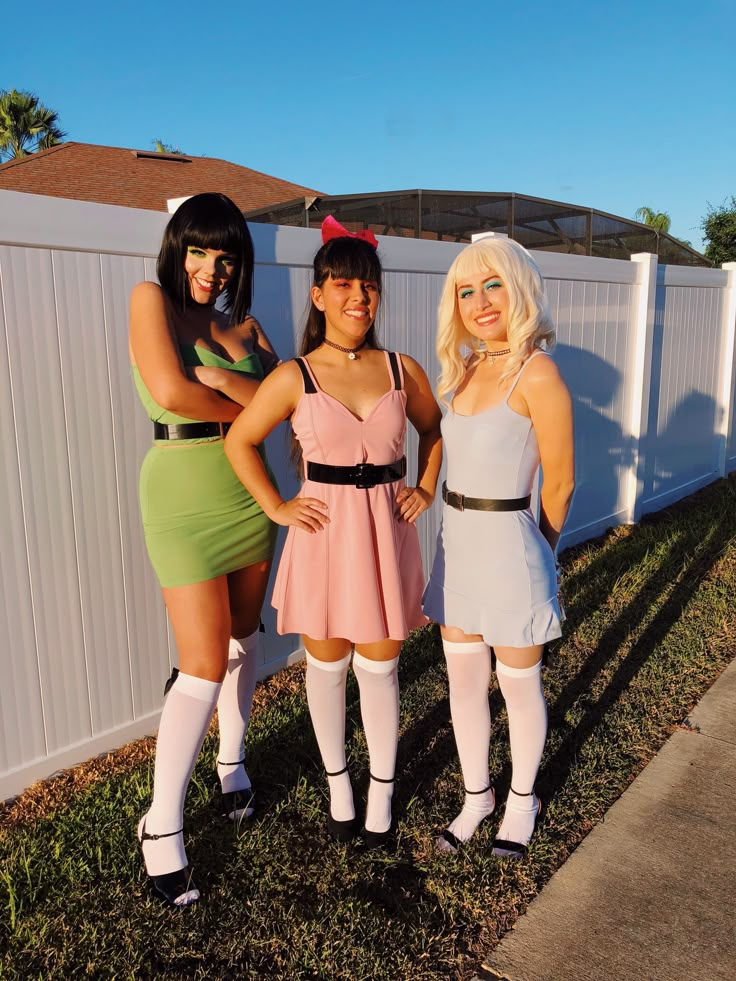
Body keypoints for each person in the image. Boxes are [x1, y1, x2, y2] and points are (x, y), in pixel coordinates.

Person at [224, 217, 442, 846]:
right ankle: (338, 784)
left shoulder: (403, 370)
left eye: (368, 285)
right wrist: (277, 506)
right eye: (343, 284)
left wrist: (425, 486)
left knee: (379, 668)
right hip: (322, 537)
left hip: (383, 535)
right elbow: (241, 440)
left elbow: (434, 430)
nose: (358, 297)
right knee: (327, 667)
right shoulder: (295, 374)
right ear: (318, 296)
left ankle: (381, 791)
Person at [129, 192, 279, 906]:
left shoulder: (241, 327)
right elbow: (170, 391)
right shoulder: (148, 301)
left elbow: (288, 402)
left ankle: (231, 762)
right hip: (183, 501)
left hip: (251, 495)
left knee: (245, 643)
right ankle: (161, 827)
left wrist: (222, 378)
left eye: (225, 257)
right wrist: (235, 391)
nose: (212, 269)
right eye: (200, 251)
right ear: (177, 247)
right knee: (201, 662)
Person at [422, 236, 575, 858]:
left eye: (492, 285)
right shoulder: (463, 369)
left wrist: (540, 552)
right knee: (462, 684)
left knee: (518, 685)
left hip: (512, 550)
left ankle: (520, 801)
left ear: (519, 289)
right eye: (466, 291)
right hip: (455, 549)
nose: (480, 302)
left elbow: (561, 480)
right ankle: (476, 797)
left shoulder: (538, 372)